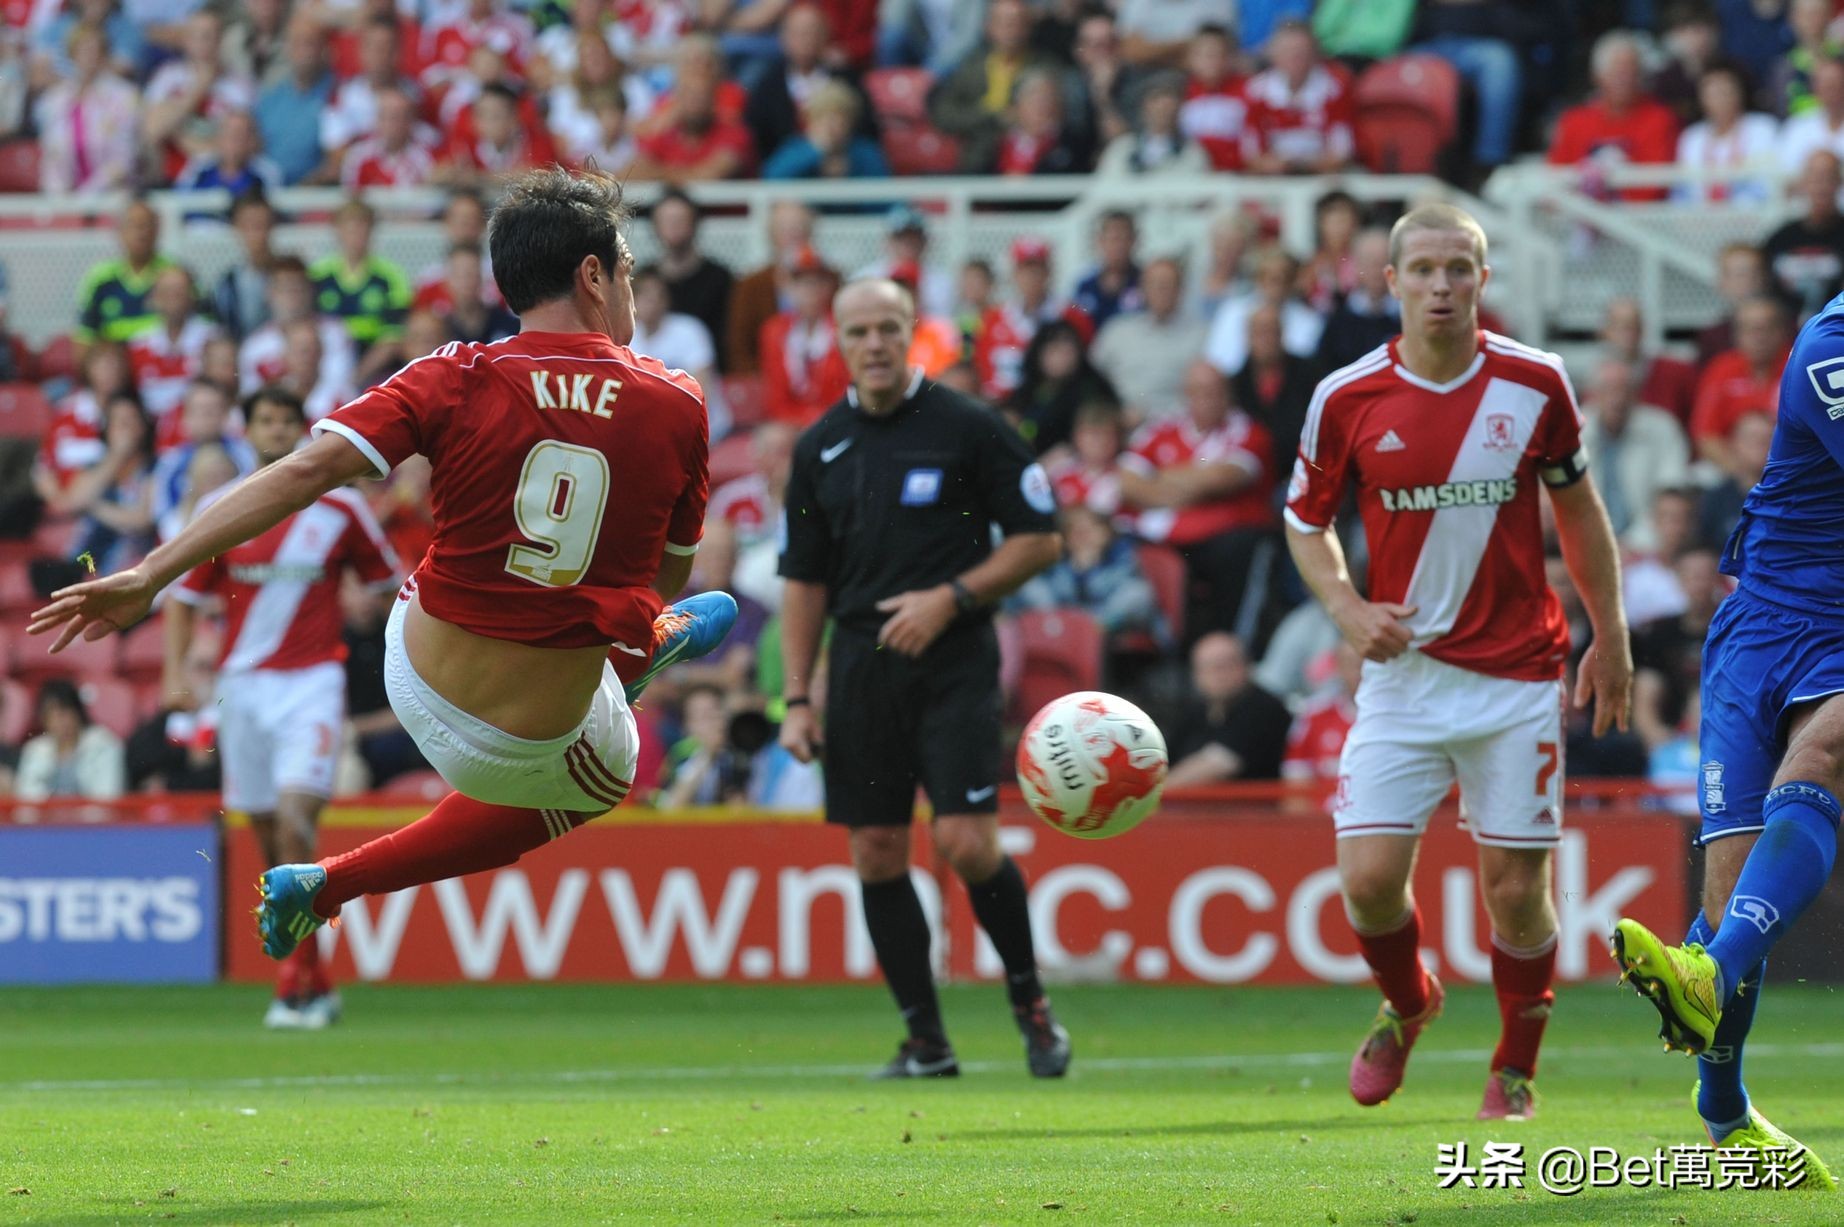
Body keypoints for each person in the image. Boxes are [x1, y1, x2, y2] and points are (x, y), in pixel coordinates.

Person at [29, 168, 739, 971]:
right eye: (629, 271)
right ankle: (339, 878)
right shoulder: (676, 400)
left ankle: (632, 658)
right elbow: (668, 576)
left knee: (472, 568)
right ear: (592, 274)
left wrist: (149, 574)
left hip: (416, 669)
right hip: (528, 741)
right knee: (610, 762)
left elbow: (302, 472)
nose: (632, 293)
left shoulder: (453, 373)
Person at [1284, 203, 1631, 1120]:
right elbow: (1303, 521)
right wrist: (1347, 606)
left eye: (1461, 269)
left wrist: (1614, 637)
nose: (1443, 285)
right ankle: (1410, 1002)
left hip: (1518, 675)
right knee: (1365, 884)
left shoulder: (1536, 382)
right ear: (1389, 282)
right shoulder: (1346, 397)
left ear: (1483, 280)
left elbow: (1580, 514)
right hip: (1404, 677)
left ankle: (1515, 1066)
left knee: (1517, 896)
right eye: (1425, 269)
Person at [777, 277, 1068, 1080]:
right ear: (837, 338)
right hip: (862, 667)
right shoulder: (818, 448)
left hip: (954, 659)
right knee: (875, 849)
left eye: (888, 328)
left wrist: (952, 597)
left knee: (966, 841)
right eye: (859, 330)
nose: (874, 343)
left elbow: (1042, 537)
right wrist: (798, 697)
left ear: (914, 333)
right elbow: (803, 581)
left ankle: (1030, 1002)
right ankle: (926, 1041)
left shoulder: (968, 427)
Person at [1609, 270, 1844, 1193]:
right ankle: (1725, 1115)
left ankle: (1706, 973)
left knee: (1824, 753)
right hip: (1768, 622)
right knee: (1729, 884)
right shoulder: (1832, 347)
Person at [163, 386, 399, 1029]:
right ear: (248, 430)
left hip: (313, 683)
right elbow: (184, 596)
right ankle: (310, 978)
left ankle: (297, 977)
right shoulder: (222, 508)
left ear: (302, 429)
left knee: (298, 823)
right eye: (263, 420)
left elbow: (390, 586)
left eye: (285, 421)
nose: (275, 430)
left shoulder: (343, 508)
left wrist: (365, 608)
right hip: (243, 689)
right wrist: (176, 676)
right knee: (269, 840)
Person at [1164, 631, 1290, 785]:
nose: (1219, 675)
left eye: (1226, 665)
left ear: (1247, 665)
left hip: (1253, 806)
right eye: (1208, 667)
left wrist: (1155, 793)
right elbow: (1165, 758)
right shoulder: (1196, 712)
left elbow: (1217, 765)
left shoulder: (1264, 708)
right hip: (1196, 806)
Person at [1763, 149, 1844, 322]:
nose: (1822, 186)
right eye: (1815, 178)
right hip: (1783, 330)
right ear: (1802, 183)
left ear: (1839, 182)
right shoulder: (1781, 237)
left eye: (1829, 177)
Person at [15, 679, 126, 802]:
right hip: (46, 820)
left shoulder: (104, 745)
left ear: (78, 712)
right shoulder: (34, 751)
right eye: (53, 714)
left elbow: (108, 797)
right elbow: (27, 801)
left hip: (93, 819)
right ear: (44, 718)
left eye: (65, 712)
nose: (61, 721)